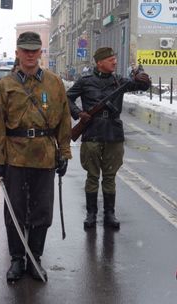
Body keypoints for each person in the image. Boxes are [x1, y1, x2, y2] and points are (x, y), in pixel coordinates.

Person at [0, 31, 72, 282]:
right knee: (15, 211)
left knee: (41, 212)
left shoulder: (55, 83)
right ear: (18, 53)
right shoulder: (6, 85)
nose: (31, 54)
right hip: (15, 157)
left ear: (41, 53)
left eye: (35, 50)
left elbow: (64, 121)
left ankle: (35, 258)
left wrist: (64, 152)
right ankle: (16, 259)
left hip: (44, 157)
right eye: (26, 50)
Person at [66, 47, 151, 230]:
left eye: (115, 58)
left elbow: (141, 86)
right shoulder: (85, 81)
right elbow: (67, 99)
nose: (114, 62)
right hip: (92, 132)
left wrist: (143, 76)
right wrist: (79, 113)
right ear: (99, 63)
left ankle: (109, 213)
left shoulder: (119, 80)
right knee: (92, 175)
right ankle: (91, 214)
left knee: (110, 176)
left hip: (113, 133)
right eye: (111, 59)